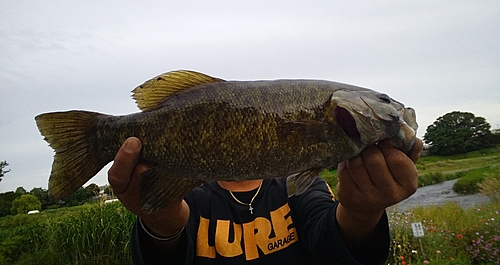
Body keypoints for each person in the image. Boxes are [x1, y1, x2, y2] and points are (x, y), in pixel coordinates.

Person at [108, 137, 422, 264]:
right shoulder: (187, 194)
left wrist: (362, 212)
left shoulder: (299, 184)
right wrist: (161, 221)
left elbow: (329, 240)